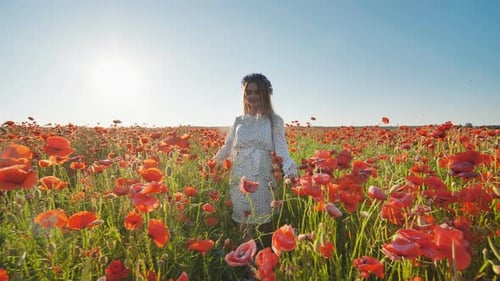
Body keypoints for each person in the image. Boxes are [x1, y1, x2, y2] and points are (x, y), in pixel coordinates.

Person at [212, 73, 297, 247]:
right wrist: (212, 163)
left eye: (256, 92)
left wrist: (291, 172)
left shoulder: (274, 121)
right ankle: (248, 268)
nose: (252, 96)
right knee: (244, 221)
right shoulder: (239, 121)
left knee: (264, 223)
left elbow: (282, 150)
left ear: (265, 94)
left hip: (264, 174)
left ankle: (264, 264)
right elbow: (228, 146)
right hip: (240, 175)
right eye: (248, 92)